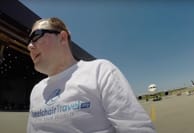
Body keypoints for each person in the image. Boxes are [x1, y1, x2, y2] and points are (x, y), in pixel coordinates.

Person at [26, 17, 155, 133]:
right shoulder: (36, 91)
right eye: (29, 41)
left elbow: (137, 128)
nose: (29, 46)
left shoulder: (99, 71)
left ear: (62, 38)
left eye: (36, 36)